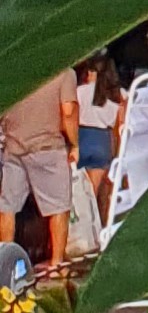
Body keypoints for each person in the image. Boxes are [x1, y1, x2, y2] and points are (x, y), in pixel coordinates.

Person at [0, 67, 79, 267]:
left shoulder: (13, 71)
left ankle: (4, 264)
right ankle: (56, 264)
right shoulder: (64, 72)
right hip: (48, 147)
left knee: (7, 208)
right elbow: (68, 111)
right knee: (59, 206)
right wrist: (75, 143)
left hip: (14, 147)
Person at [72, 57, 120, 227]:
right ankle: (95, 229)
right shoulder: (115, 96)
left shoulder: (79, 92)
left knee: (78, 192)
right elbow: (118, 125)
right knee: (93, 194)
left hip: (82, 137)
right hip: (102, 141)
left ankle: (79, 230)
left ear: (91, 72)